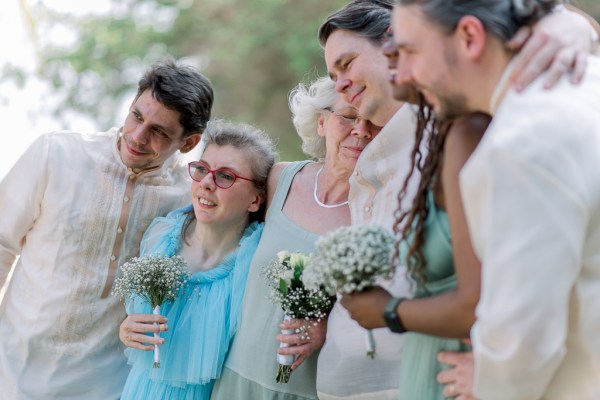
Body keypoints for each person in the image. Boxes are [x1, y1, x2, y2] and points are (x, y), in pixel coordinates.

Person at [318, 1, 598, 399]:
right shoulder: (580, 86)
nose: (406, 73)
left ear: (469, 36)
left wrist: (491, 378)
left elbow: (521, 331)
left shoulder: (514, 139)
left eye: (409, 51)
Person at [0, 58, 213, 399]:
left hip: (108, 384)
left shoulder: (186, 198)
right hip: (13, 370)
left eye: (158, 131)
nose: (138, 136)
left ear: (188, 143)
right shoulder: (56, 154)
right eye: (136, 116)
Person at [210, 76, 382, 400]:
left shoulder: (375, 213)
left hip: (305, 390)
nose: (361, 130)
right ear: (322, 122)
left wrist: (327, 327)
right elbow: (215, 232)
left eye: (373, 122)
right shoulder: (278, 179)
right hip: (233, 378)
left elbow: (383, 304)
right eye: (347, 116)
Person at [117, 120, 276, 399]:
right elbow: (135, 319)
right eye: (202, 169)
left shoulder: (257, 262)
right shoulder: (162, 236)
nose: (206, 183)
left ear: (255, 199)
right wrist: (127, 330)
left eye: (226, 176)